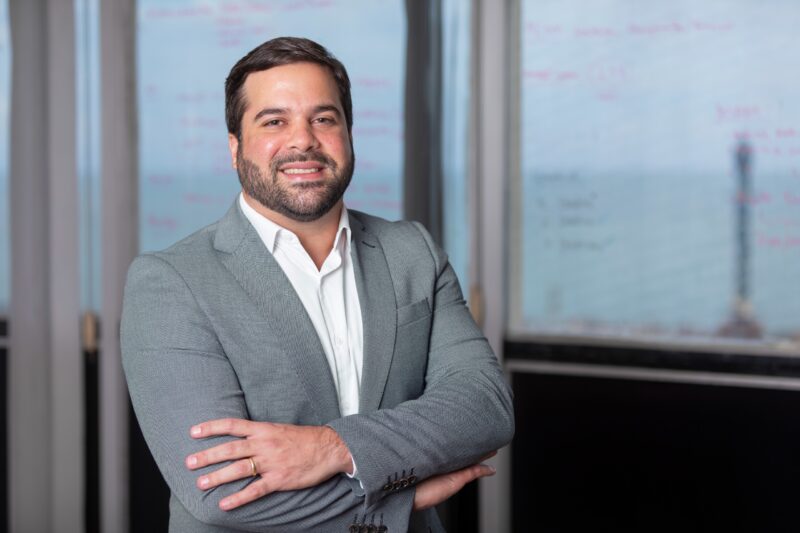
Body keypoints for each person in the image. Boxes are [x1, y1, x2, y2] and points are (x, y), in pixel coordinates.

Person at [121, 36, 514, 533]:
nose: (303, 140)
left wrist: (333, 448)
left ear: (348, 133)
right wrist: (401, 499)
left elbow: (485, 408)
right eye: (274, 121)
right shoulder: (171, 281)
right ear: (235, 148)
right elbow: (220, 493)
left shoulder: (412, 250)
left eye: (323, 118)